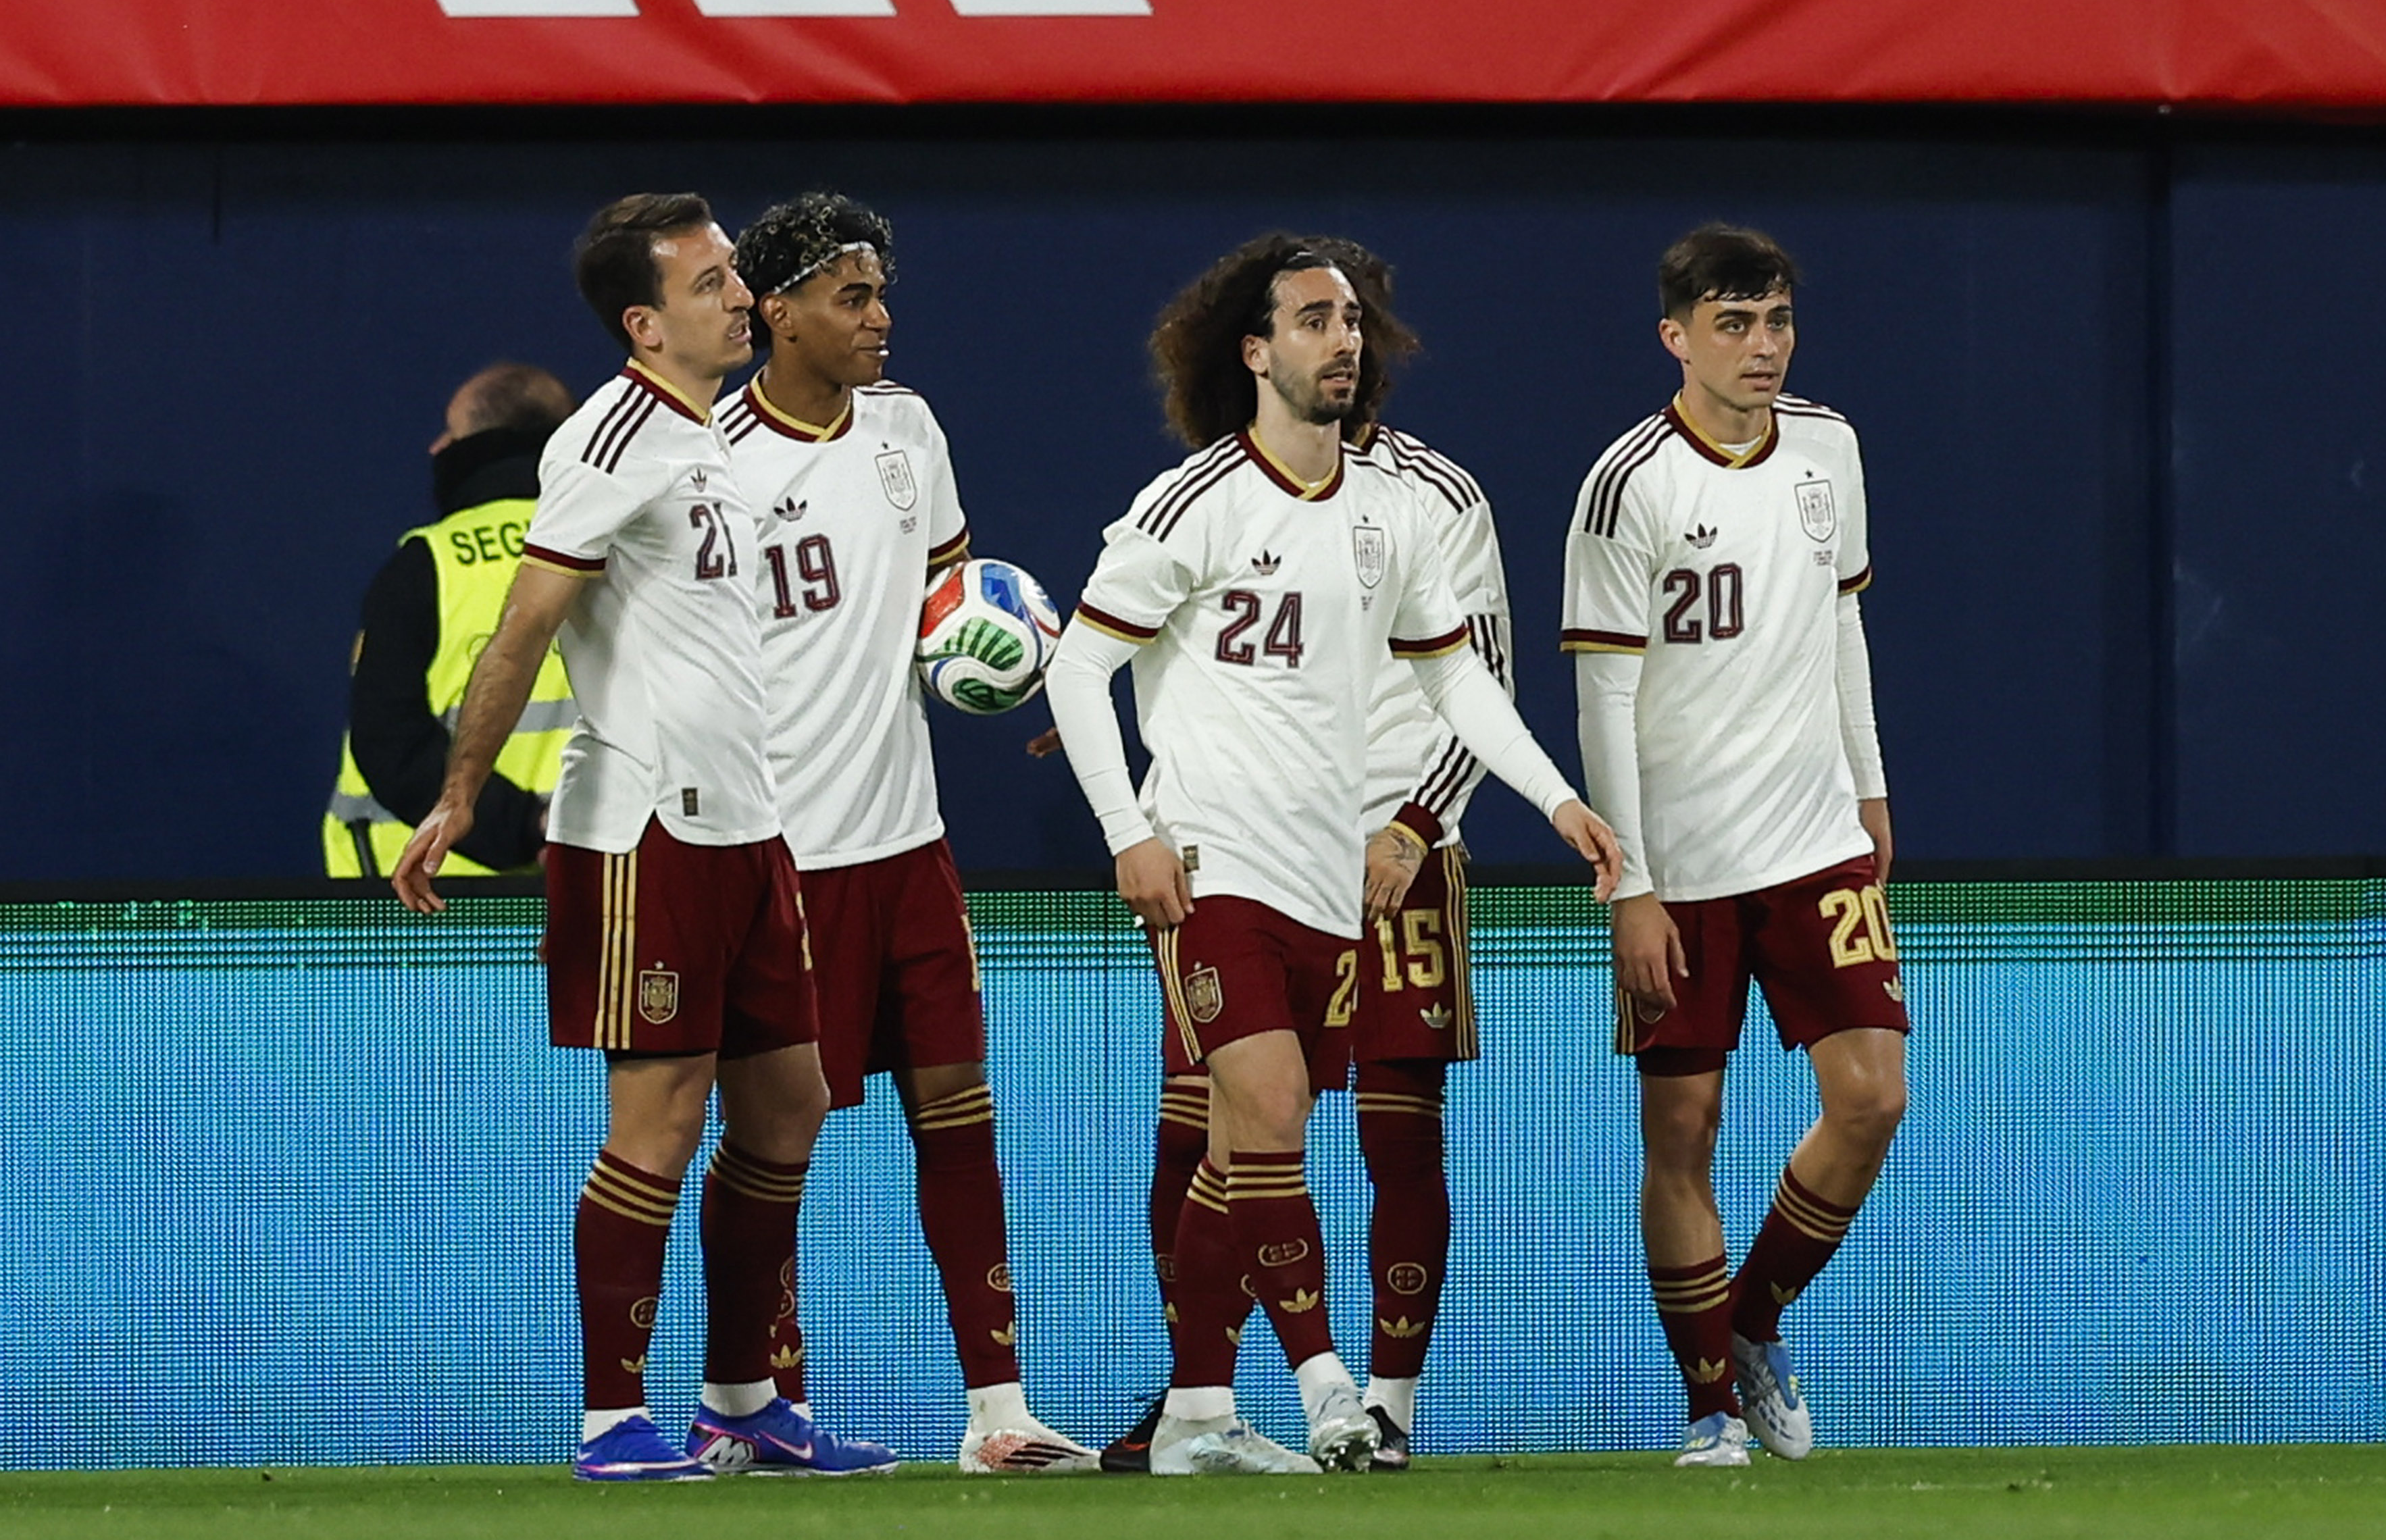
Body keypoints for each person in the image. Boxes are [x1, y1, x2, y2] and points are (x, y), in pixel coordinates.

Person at [1046, 232, 1622, 1476]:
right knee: (1268, 1118)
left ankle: (1197, 1414)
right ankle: (1329, 1396)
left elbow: (1455, 678)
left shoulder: (1388, 512)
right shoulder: (1192, 502)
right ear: (1255, 352)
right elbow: (1077, 667)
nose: (1341, 339)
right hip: (1211, 866)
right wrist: (1130, 832)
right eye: (1312, 319)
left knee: (1236, 1153)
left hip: (1328, 881)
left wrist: (1554, 798)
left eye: (1350, 319)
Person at [392, 192, 892, 1482]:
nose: (741, 297)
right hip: (645, 830)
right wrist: (458, 794)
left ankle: (742, 1401)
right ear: (643, 322)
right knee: (658, 1123)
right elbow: (527, 623)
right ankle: (611, 1418)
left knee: (791, 1103)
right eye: (711, 282)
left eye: (734, 275)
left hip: (748, 829)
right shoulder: (606, 438)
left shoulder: (705, 433)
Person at [719, 191, 1095, 1474]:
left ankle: (999, 1412)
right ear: (779, 314)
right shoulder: (715, 459)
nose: (880, 317)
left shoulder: (907, 428)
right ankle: (760, 1407)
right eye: (852, 297)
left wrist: (1025, 661)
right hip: (782, 860)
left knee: (958, 1113)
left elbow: (953, 600)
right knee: (776, 1144)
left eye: (880, 292)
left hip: (909, 846)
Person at [1563, 224, 1905, 1468]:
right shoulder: (1626, 485)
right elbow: (1602, 696)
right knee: (1683, 1128)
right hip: (1682, 864)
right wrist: (1631, 884)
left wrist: (1868, 786)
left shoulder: (1828, 447)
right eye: (1732, 325)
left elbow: (1841, 622)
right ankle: (1708, 1407)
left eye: (1775, 321)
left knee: (1871, 1097)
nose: (1762, 347)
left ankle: (1749, 1318)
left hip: (1813, 839)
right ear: (1675, 337)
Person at [324, 362, 578, 877]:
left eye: (451, 432)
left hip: (427, 889)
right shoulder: (622, 554)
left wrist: (525, 826)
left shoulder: (429, 565)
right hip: (597, 879)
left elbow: (390, 741)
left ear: (474, 448)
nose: (436, 447)